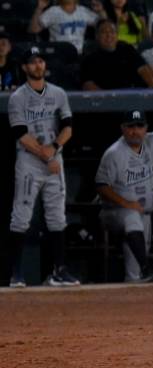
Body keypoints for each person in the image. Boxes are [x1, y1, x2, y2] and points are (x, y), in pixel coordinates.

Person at [7, 47, 80, 288]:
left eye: (40, 61)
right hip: (29, 160)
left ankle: (59, 271)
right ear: (25, 67)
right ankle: (15, 273)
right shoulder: (18, 97)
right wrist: (46, 155)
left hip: (53, 157)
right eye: (32, 62)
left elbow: (68, 127)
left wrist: (54, 149)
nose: (37, 65)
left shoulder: (58, 93)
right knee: (21, 216)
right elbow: (20, 134)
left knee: (57, 216)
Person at [95, 110, 153, 282]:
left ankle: (137, 294)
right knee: (132, 218)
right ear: (122, 128)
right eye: (130, 126)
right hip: (115, 212)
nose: (135, 130)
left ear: (146, 128)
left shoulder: (152, 141)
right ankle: (146, 269)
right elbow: (101, 186)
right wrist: (126, 203)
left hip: (143, 212)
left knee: (134, 273)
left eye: (139, 126)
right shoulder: (114, 153)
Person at [81, 19, 153, 90]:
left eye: (112, 32)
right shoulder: (89, 57)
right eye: (104, 32)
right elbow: (88, 84)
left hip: (134, 94)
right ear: (97, 36)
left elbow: (143, 69)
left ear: (117, 35)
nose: (109, 35)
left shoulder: (127, 48)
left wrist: (152, 89)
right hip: (108, 98)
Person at [28, 0, 104, 54]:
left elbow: (105, 26)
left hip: (80, 54)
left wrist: (100, 11)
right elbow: (33, 30)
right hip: (58, 54)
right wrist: (39, 8)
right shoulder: (53, 11)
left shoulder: (83, 11)